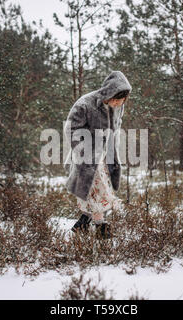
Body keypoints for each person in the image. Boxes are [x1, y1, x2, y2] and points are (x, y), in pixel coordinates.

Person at [63, 71, 132, 239]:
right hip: (87, 156)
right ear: (108, 92)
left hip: (106, 155)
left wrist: (113, 150)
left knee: (96, 189)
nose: (117, 103)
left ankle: (82, 224)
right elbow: (70, 129)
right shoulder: (86, 104)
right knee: (97, 188)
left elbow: (115, 129)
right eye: (115, 99)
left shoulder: (118, 107)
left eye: (120, 100)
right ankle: (102, 229)